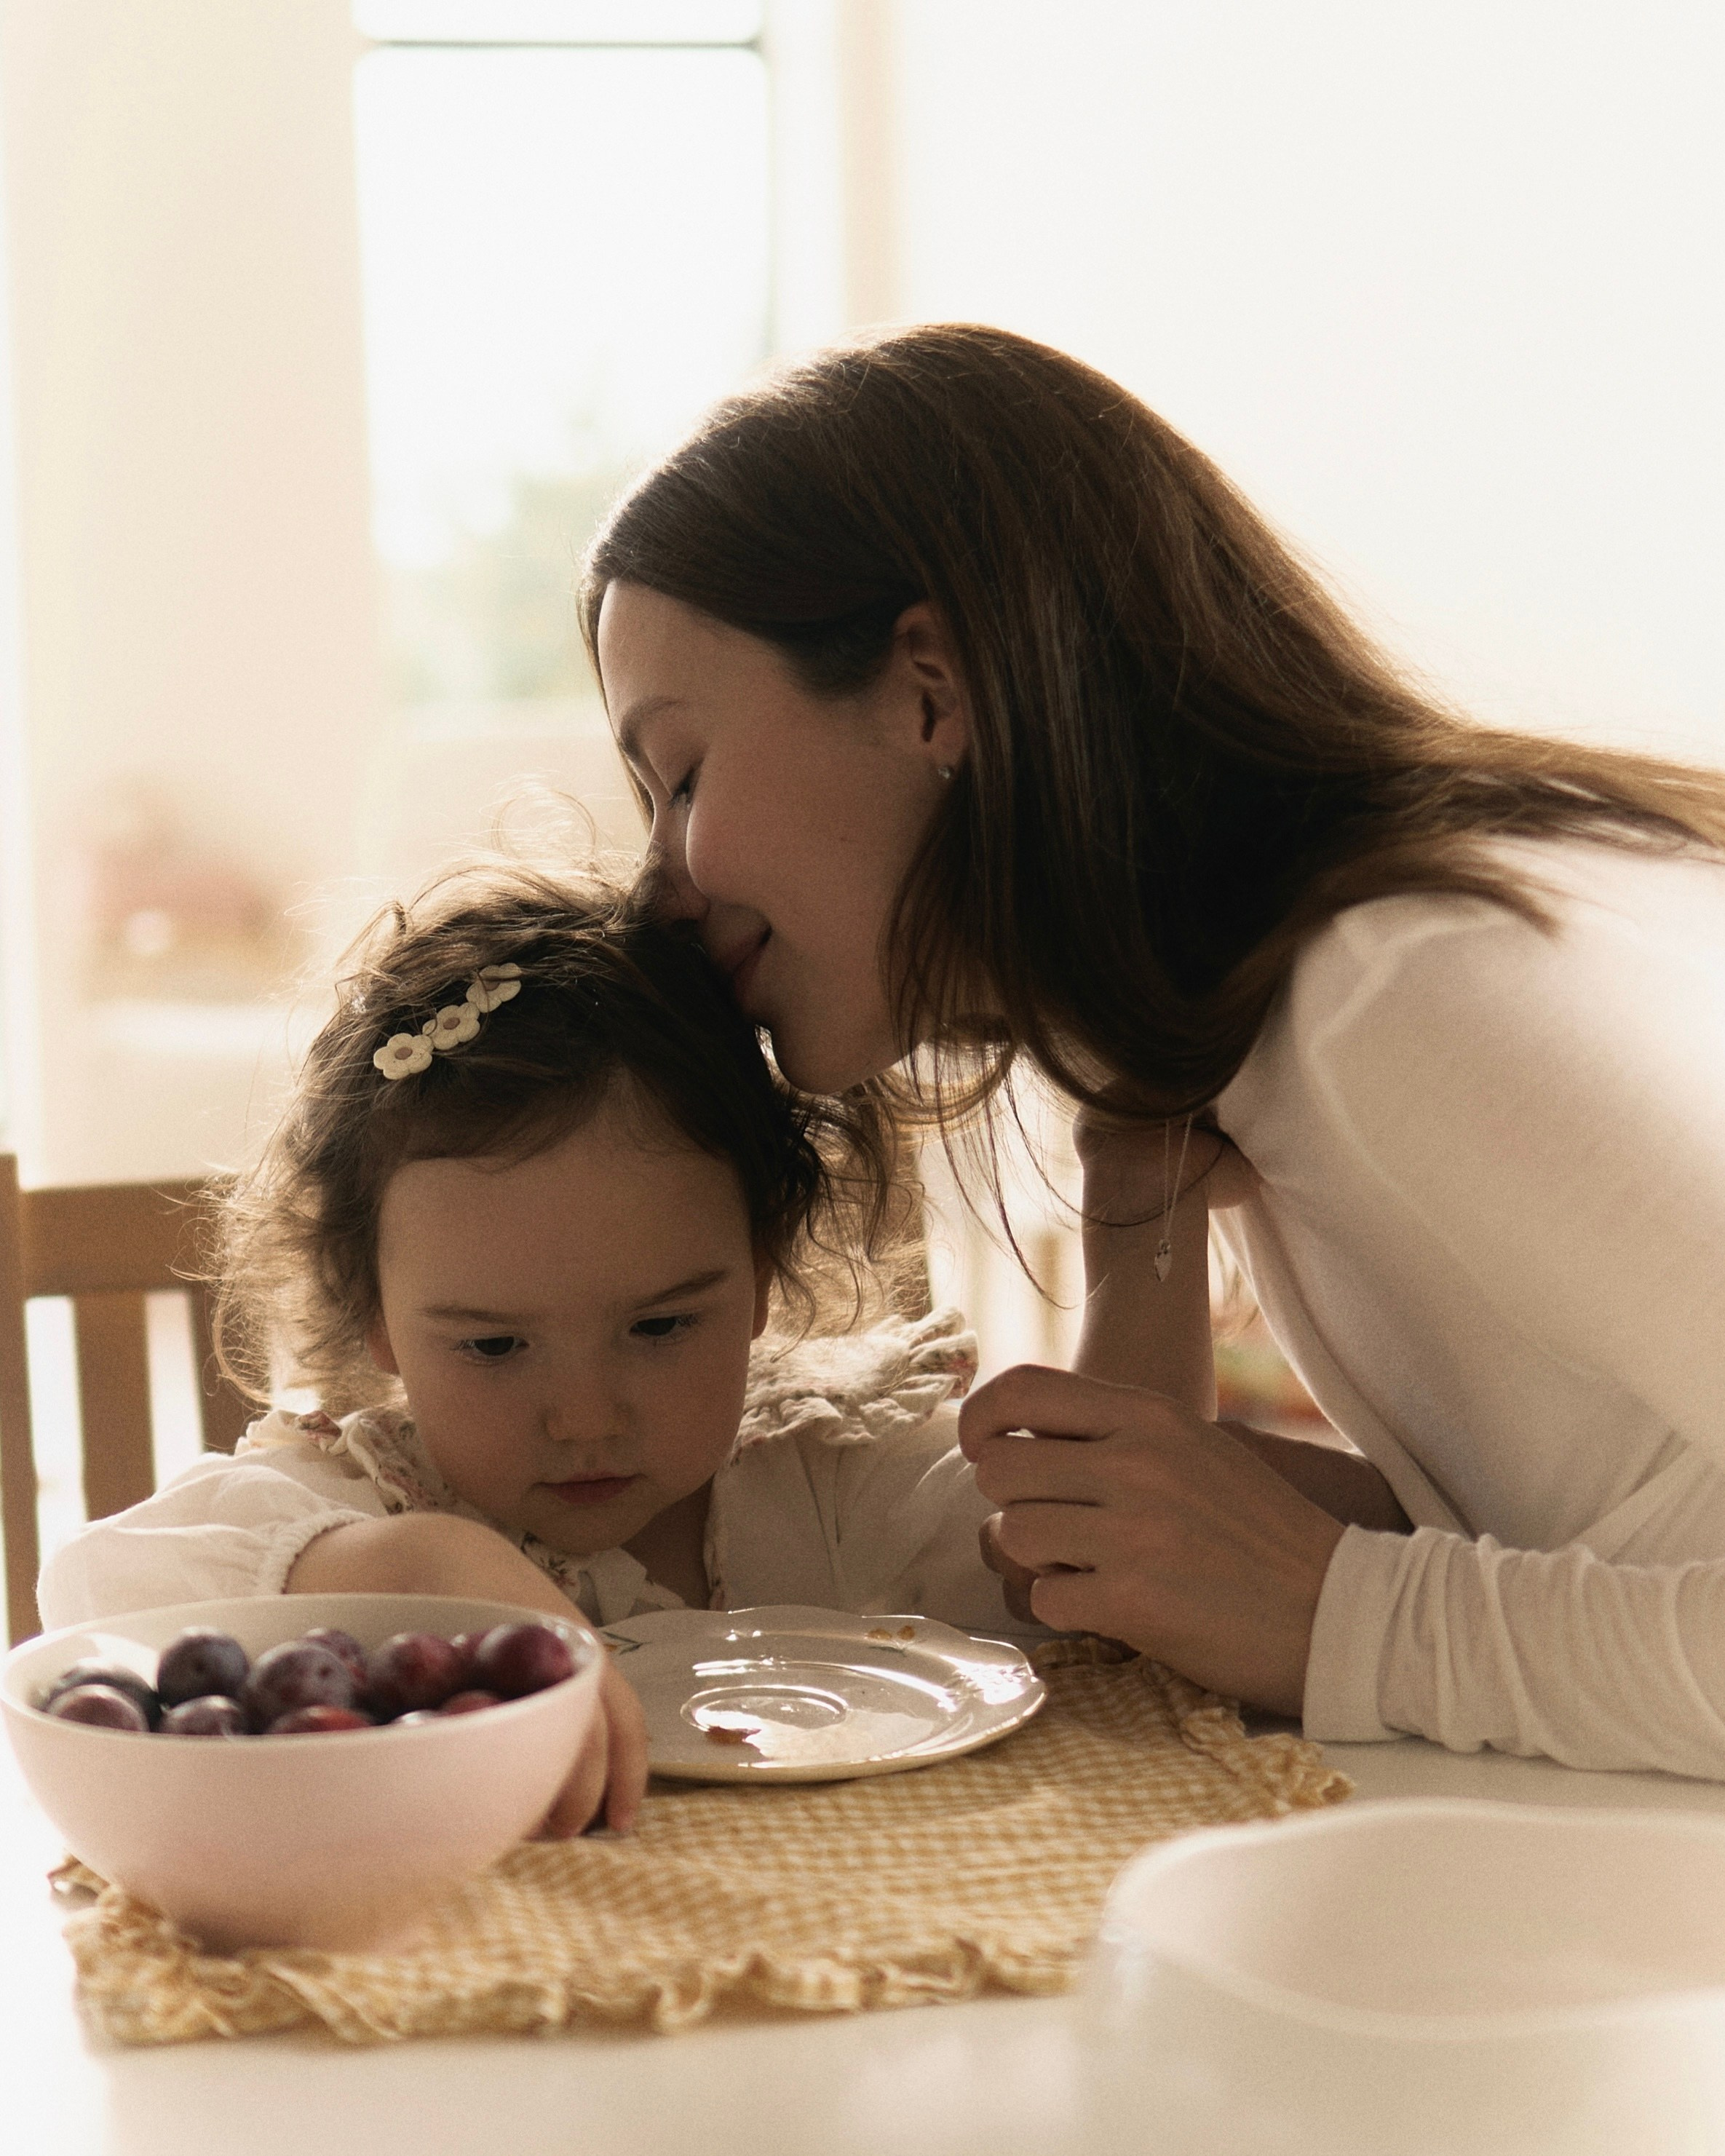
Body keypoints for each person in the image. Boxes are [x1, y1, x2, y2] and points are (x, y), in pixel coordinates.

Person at [580, 320, 1725, 1777]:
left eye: (681, 775)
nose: (658, 890)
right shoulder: (1250, 1047)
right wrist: (1344, 1525)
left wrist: (1345, 1614)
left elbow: (1405, 1625)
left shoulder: (1390, 994)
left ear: (931, 687)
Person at [39, 864, 1029, 1830]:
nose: (585, 1418)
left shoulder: (828, 1475)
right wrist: (415, 1565)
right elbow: (95, 1588)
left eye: (659, 1326)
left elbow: (1052, 1580)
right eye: (495, 1344)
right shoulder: (380, 1501)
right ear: (374, 1312)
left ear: (762, 1270)